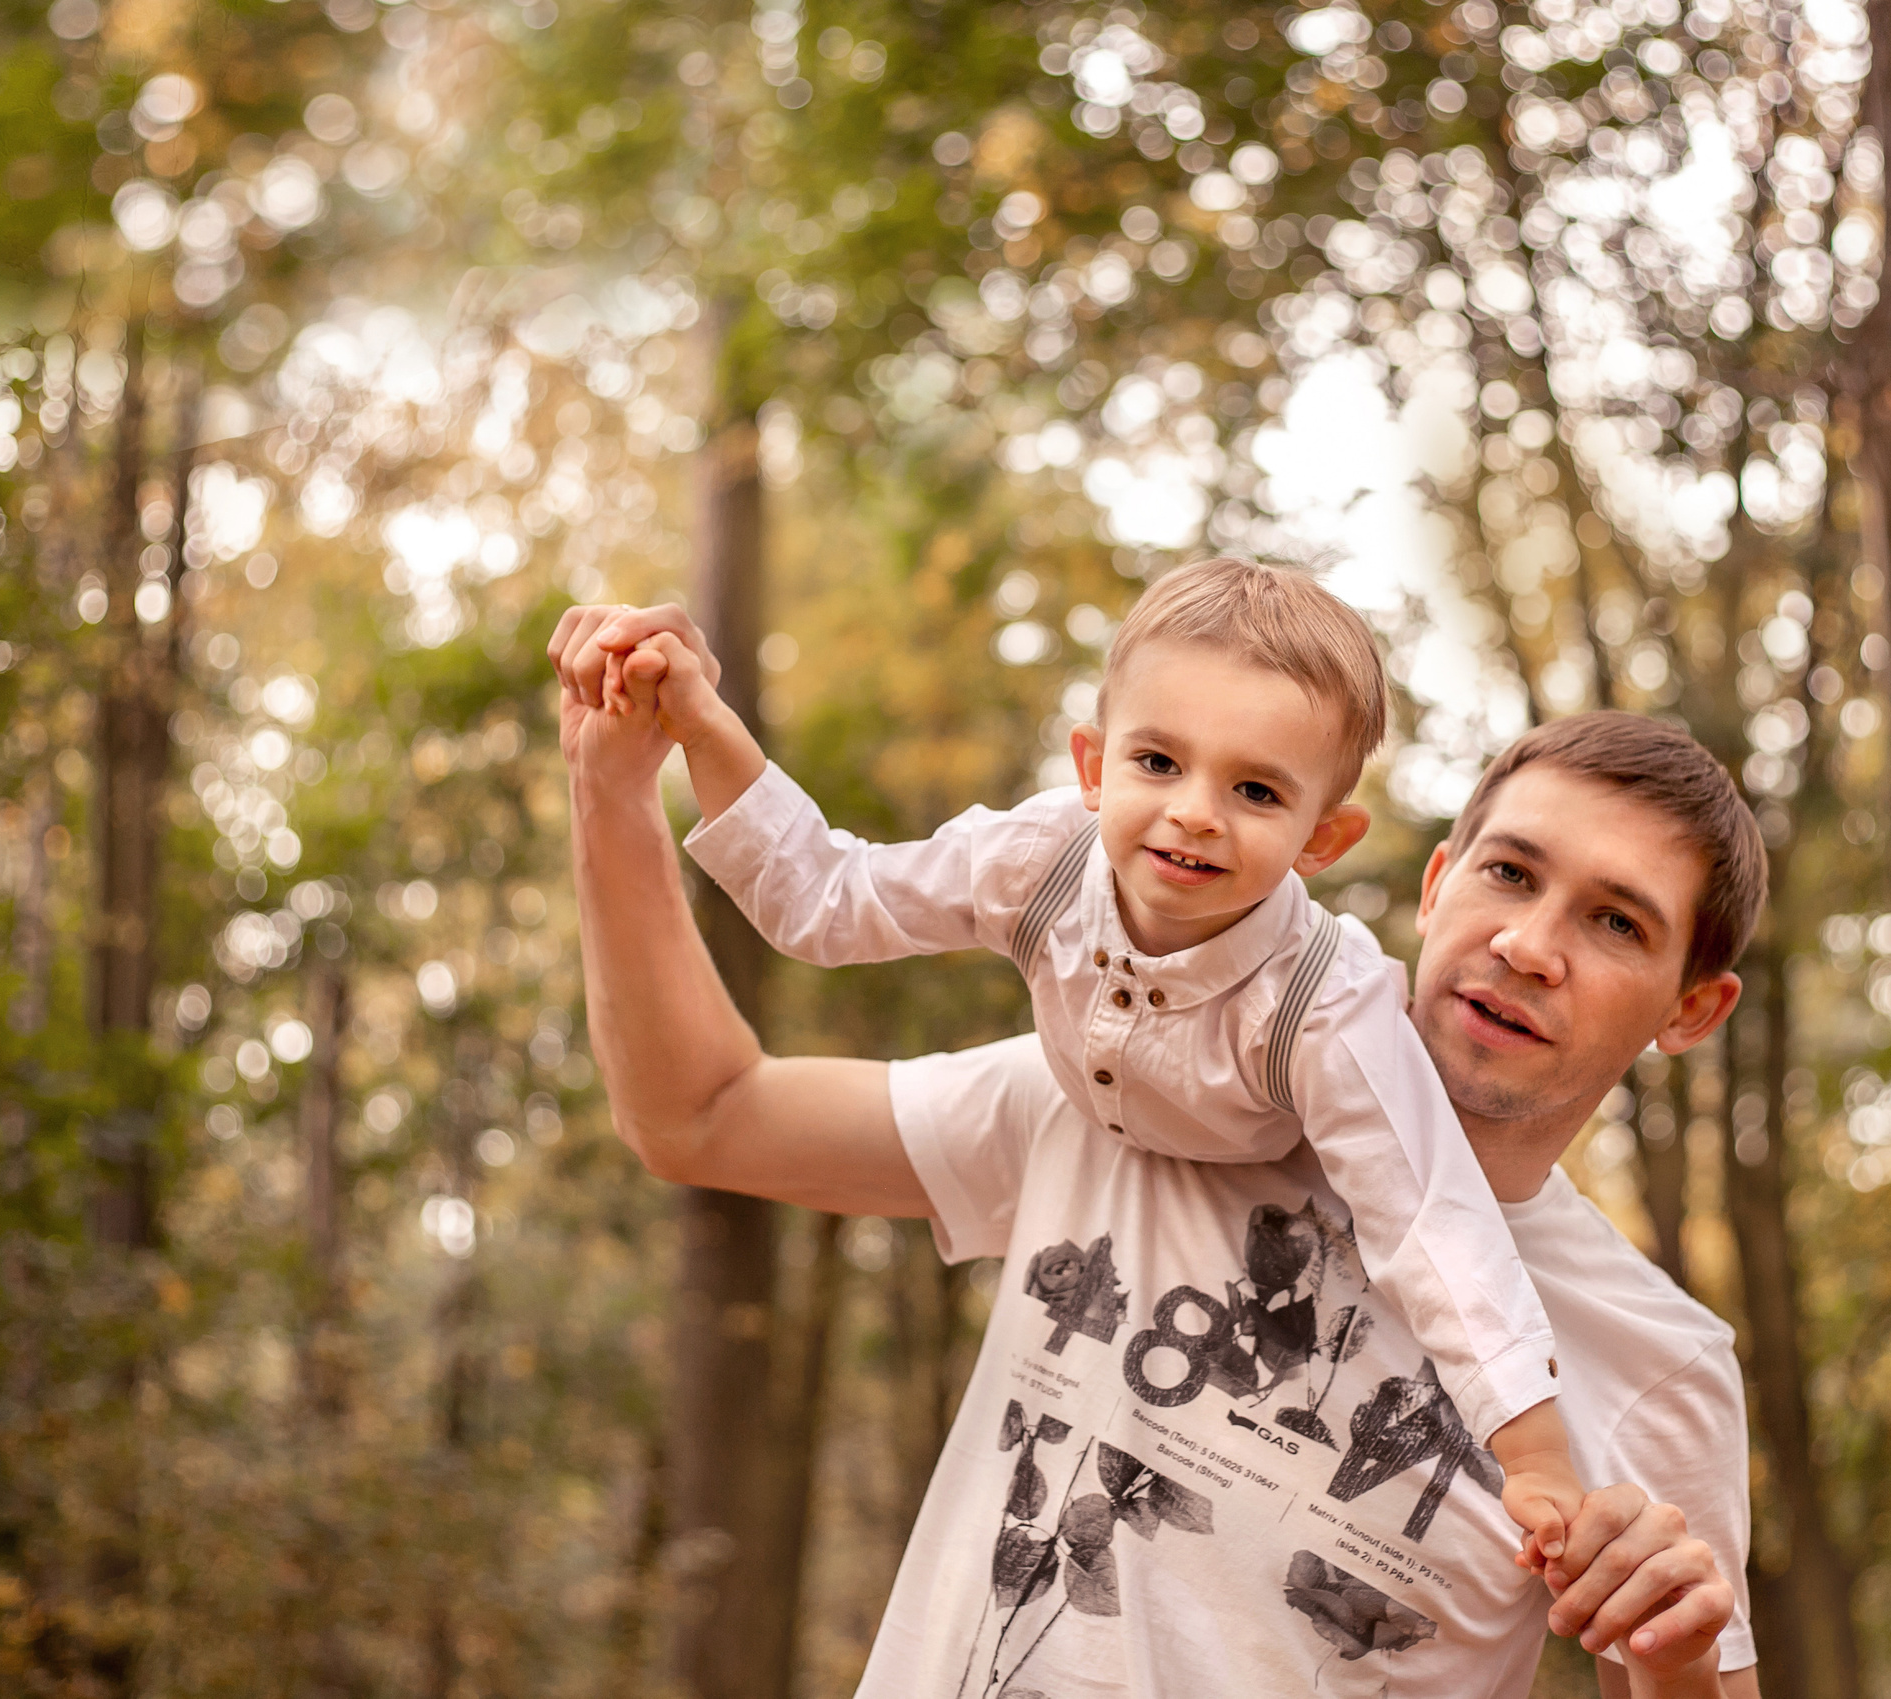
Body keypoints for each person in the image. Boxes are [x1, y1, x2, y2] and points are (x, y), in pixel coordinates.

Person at [550, 602, 1763, 1698]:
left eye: (1614, 922)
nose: (1530, 946)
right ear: (1438, 883)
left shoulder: (1658, 1367)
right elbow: (698, 1114)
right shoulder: (1136, 1101)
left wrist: (1673, 1664)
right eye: (1509, 874)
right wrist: (612, 790)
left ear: (1688, 1010)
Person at [593, 559, 1584, 1561]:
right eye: (1158, 763)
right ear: (1092, 766)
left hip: (1255, 1131)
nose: (1196, 811)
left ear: (1320, 838)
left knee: (1394, 1178)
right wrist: (700, 727)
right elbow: (828, 899)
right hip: (1079, 1094)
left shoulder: (1323, 1006)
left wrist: (1534, 1453)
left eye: (1253, 788)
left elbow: (1428, 1217)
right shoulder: (1041, 860)